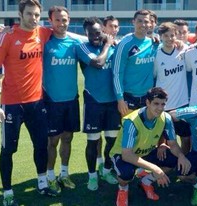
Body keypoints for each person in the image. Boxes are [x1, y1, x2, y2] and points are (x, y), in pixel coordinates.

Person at [0, 0, 57, 205]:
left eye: (36, 15)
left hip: (36, 103)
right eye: (29, 14)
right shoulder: (5, 36)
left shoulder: (42, 33)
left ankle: (42, 184)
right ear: (20, 14)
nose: (33, 18)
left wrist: (110, 39)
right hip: (12, 104)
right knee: (8, 150)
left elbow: (66, 33)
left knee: (41, 145)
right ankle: (8, 194)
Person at [111, 87, 190, 206]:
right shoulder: (131, 121)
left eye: (163, 104)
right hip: (123, 155)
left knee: (174, 159)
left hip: (145, 152)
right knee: (126, 173)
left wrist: (181, 156)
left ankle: (146, 181)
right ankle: (123, 189)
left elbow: (173, 145)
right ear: (147, 102)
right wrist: (155, 168)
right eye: (156, 104)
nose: (160, 108)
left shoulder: (166, 118)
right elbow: (127, 155)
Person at [77, 16, 119, 191]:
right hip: (94, 100)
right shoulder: (82, 48)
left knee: (112, 141)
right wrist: (107, 45)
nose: (95, 35)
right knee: (93, 141)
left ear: (103, 30)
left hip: (113, 101)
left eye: (98, 32)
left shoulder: (114, 45)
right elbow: (98, 63)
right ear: (86, 33)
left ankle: (107, 170)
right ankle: (92, 176)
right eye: (91, 33)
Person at [43, 5, 82, 193]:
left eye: (64, 19)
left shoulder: (74, 43)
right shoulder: (44, 42)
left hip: (71, 100)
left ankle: (64, 174)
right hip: (51, 101)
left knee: (68, 138)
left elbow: (94, 41)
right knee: (52, 141)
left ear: (69, 21)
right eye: (57, 19)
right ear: (50, 21)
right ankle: (50, 177)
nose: (61, 23)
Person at [153, 22, 191, 154]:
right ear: (161, 37)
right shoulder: (156, 55)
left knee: (186, 138)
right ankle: (164, 165)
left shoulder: (184, 50)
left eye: (172, 35)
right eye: (166, 35)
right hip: (163, 105)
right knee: (162, 139)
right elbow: (154, 76)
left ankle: (184, 164)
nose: (170, 38)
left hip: (182, 103)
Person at [113, 9, 159, 117]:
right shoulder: (125, 44)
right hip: (128, 97)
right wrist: (120, 99)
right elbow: (117, 73)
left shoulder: (154, 43)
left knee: (148, 132)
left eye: (146, 21)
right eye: (140, 21)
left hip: (148, 97)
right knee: (130, 131)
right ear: (133, 22)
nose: (143, 24)